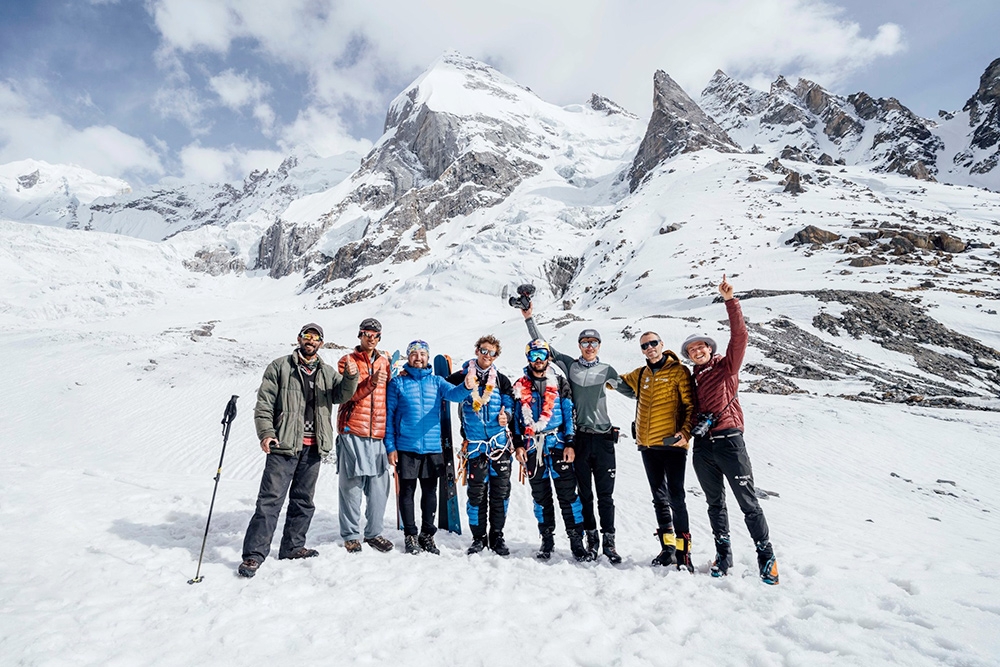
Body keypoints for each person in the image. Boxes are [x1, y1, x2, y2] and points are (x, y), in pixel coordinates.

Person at [238, 323, 359, 578]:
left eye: (316, 338)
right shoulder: (280, 367)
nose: (311, 341)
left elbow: (343, 395)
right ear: (299, 339)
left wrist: (350, 377)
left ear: (321, 343)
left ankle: (292, 546)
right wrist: (266, 433)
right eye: (307, 336)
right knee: (270, 501)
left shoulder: (326, 372)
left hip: (313, 447)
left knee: (303, 501)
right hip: (283, 445)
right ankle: (253, 555)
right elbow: (264, 404)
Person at [683, 276, 779, 585]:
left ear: (710, 349)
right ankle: (723, 554)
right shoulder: (692, 378)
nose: (697, 351)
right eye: (692, 349)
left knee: (747, 502)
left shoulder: (727, 367)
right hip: (703, 448)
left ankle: (767, 557)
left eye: (701, 347)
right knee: (715, 503)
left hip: (730, 440)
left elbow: (739, 336)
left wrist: (730, 301)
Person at [522, 304, 623, 563]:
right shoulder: (569, 366)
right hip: (578, 439)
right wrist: (529, 317)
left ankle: (608, 542)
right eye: (585, 342)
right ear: (579, 345)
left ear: (599, 345)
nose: (589, 346)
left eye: (593, 342)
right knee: (582, 494)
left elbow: (632, 391)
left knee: (603, 495)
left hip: (600, 437)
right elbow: (544, 347)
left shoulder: (608, 370)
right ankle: (588, 540)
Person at [385, 340, 475, 555]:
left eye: (423, 354)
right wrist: (390, 447)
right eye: (414, 354)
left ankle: (427, 535)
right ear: (408, 357)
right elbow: (389, 417)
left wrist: (467, 386)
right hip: (406, 446)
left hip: (433, 448)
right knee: (407, 492)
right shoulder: (398, 383)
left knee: (430, 492)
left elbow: (454, 395)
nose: (419, 357)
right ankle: (410, 535)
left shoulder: (437, 382)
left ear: (427, 357)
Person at [616, 333, 696, 571]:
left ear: (662, 344)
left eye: (653, 343)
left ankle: (684, 554)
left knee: (677, 498)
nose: (649, 348)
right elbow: (615, 381)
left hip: (672, 445)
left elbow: (691, 405)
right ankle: (668, 548)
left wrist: (685, 433)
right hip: (647, 445)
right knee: (659, 499)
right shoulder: (640, 374)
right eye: (644, 345)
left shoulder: (679, 371)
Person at [512, 340, 589, 561]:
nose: (538, 359)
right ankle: (546, 538)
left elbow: (568, 414)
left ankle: (576, 540)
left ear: (548, 357)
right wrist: (518, 445)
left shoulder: (560, 382)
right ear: (528, 357)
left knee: (568, 495)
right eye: (533, 354)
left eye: (542, 354)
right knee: (540, 497)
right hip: (532, 448)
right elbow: (516, 420)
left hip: (557, 444)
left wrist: (570, 443)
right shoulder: (520, 385)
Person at [446, 336, 516, 556]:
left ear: (496, 356)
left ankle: (497, 536)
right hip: (475, 447)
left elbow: (510, 402)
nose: (487, 356)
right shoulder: (461, 376)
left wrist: (509, 415)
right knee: (476, 496)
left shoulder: (502, 380)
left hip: (499, 447)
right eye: (484, 351)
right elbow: (443, 391)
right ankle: (478, 538)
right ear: (477, 351)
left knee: (500, 494)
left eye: (492, 353)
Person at [335, 317, 394, 554]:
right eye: (367, 333)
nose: (371, 337)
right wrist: (370, 381)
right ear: (359, 335)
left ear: (380, 338)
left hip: (378, 433)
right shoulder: (347, 361)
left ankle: (374, 533)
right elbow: (345, 395)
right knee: (351, 487)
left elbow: (390, 396)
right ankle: (350, 535)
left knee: (379, 488)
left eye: (375, 334)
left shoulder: (385, 362)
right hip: (353, 430)